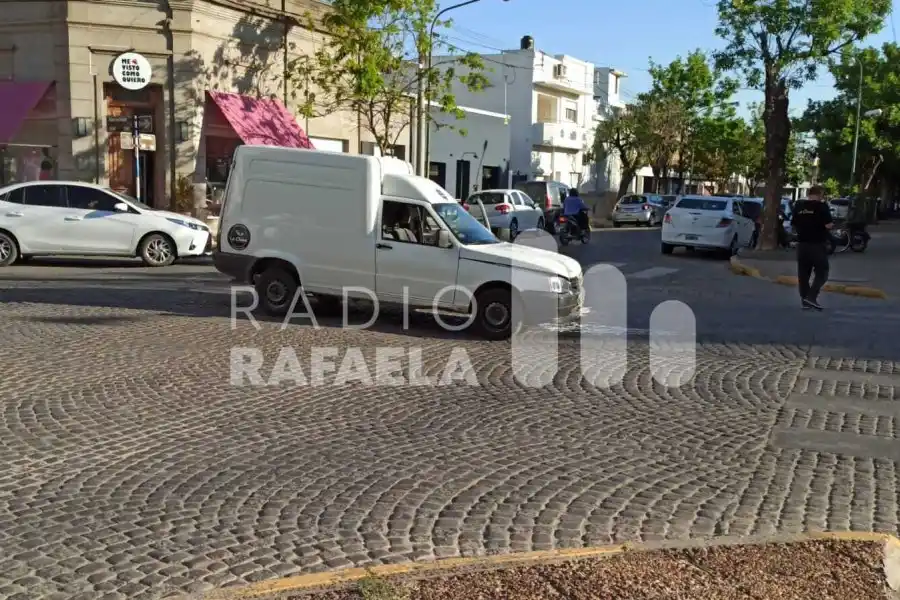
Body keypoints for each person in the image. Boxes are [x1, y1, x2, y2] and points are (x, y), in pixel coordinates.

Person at [790, 185, 833, 310]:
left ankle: (805, 300)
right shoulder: (821, 206)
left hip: (802, 244)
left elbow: (794, 224)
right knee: (822, 272)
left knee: (803, 274)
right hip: (817, 244)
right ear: (820, 194)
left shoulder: (799, 206)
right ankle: (811, 297)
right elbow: (829, 225)